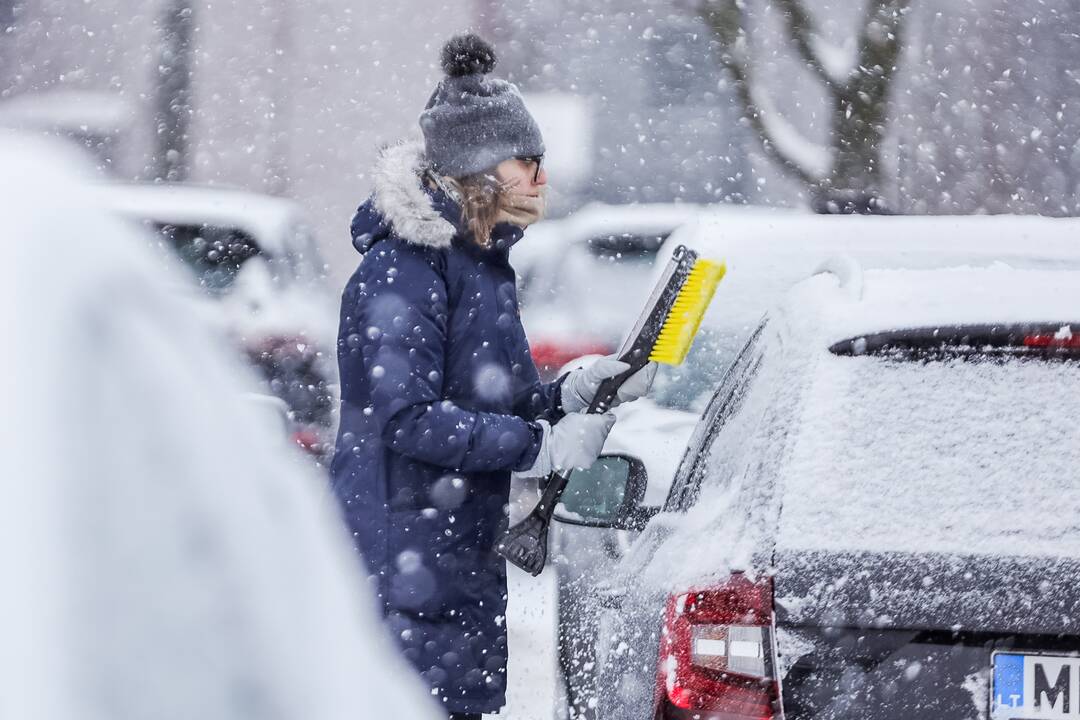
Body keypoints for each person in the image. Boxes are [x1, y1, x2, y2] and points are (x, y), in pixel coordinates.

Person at [330, 34, 657, 719]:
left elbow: (488, 399)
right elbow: (408, 419)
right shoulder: (405, 271)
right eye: (527, 163)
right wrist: (539, 447)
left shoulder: (478, 267)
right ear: (477, 171)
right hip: (403, 572)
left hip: (453, 563)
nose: (543, 179)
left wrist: (568, 393)